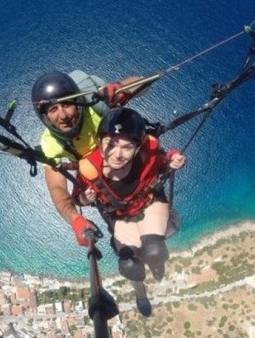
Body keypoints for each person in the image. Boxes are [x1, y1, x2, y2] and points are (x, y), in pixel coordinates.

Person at [71, 107, 186, 317]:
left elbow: (163, 159)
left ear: (137, 147)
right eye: (111, 144)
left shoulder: (147, 154)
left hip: (148, 202)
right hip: (120, 215)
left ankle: (156, 263)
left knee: (154, 251)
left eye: (127, 147)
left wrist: (174, 158)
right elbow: (77, 195)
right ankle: (140, 293)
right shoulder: (89, 169)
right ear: (100, 142)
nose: (117, 154)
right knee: (130, 266)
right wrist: (83, 199)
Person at [31, 70, 143, 230]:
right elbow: (57, 189)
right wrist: (75, 219)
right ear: (46, 117)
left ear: (77, 101)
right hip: (102, 182)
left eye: (67, 104)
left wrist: (119, 90)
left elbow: (141, 82)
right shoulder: (50, 143)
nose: (62, 115)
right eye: (53, 110)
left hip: (126, 162)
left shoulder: (95, 107)